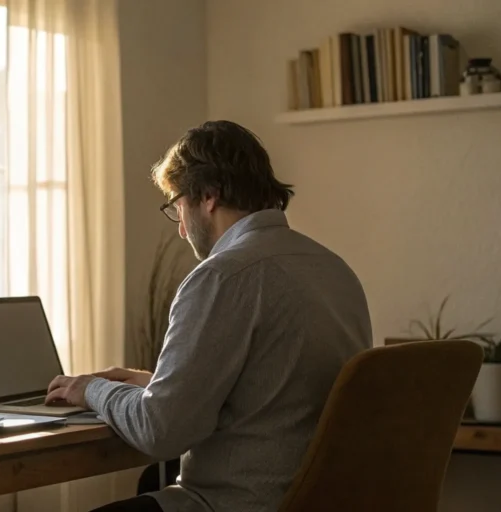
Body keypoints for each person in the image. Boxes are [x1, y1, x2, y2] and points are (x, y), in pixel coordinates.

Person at [46, 121, 372, 512]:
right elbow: (281, 391)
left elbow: (160, 432)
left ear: (209, 197)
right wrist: (158, 385)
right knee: (151, 481)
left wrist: (90, 390)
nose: (181, 229)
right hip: (322, 498)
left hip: (239, 503)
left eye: (178, 207)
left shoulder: (222, 276)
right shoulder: (335, 269)